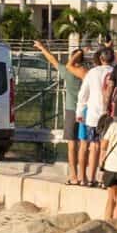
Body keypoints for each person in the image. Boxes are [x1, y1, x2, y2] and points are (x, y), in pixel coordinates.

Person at [34, 40, 87, 185]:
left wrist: (42, 47)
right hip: (85, 110)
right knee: (84, 144)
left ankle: (74, 175)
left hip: (71, 110)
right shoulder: (86, 73)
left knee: (71, 145)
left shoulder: (67, 71)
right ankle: (84, 176)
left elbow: (52, 59)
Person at [75, 47, 114, 186]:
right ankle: (104, 179)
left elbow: (83, 93)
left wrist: (79, 111)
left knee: (94, 146)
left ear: (101, 58)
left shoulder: (92, 73)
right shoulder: (114, 72)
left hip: (93, 114)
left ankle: (91, 178)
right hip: (110, 115)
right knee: (106, 147)